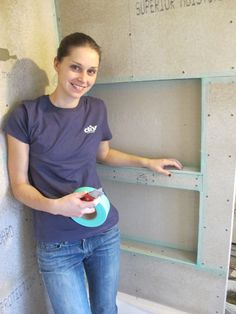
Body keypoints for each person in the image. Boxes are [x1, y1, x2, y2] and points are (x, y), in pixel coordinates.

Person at [4, 32, 183, 314]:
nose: (83, 78)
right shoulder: (26, 116)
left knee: (106, 310)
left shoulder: (96, 109)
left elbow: (103, 154)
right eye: (75, 67)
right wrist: (56, 206)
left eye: (91, 71)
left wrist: (146, 162)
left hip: (103, 233)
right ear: (57, 63)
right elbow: (19, 185)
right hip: (57, 243)